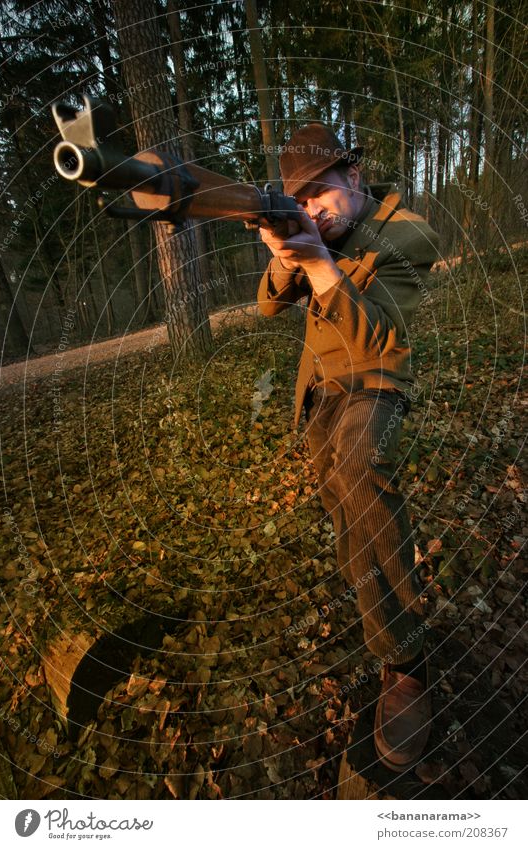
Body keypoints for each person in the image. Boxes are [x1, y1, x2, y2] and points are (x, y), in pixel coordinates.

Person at [257, 123, 441, 773]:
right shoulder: (317, 230)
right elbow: (268, 307)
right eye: (298, 201)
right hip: (320, 393)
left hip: (377, 383)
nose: (312, 210)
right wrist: (285, 258)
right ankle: (379, 614)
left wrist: (313, 260)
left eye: (320, 193)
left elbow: (379, 344)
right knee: (342, 506)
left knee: (361, 469)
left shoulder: (408, 233)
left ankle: (406, 667)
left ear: (354, 178)